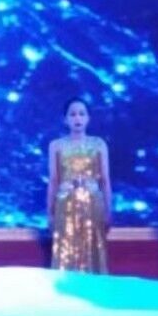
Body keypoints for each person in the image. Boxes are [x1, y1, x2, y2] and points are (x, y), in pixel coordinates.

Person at [48, 97, 110, 273]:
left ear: (88, 118)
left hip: (93, 204)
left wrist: (108, 210)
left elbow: (105, 180)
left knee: (92, 245)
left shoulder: (98, 144)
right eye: (73, 114)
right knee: (66, 248)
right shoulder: (56, 146)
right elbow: (53, 180)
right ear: (65, 119)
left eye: (82, 114)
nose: (77, 118)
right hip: (65, 205)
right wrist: (50, 212)